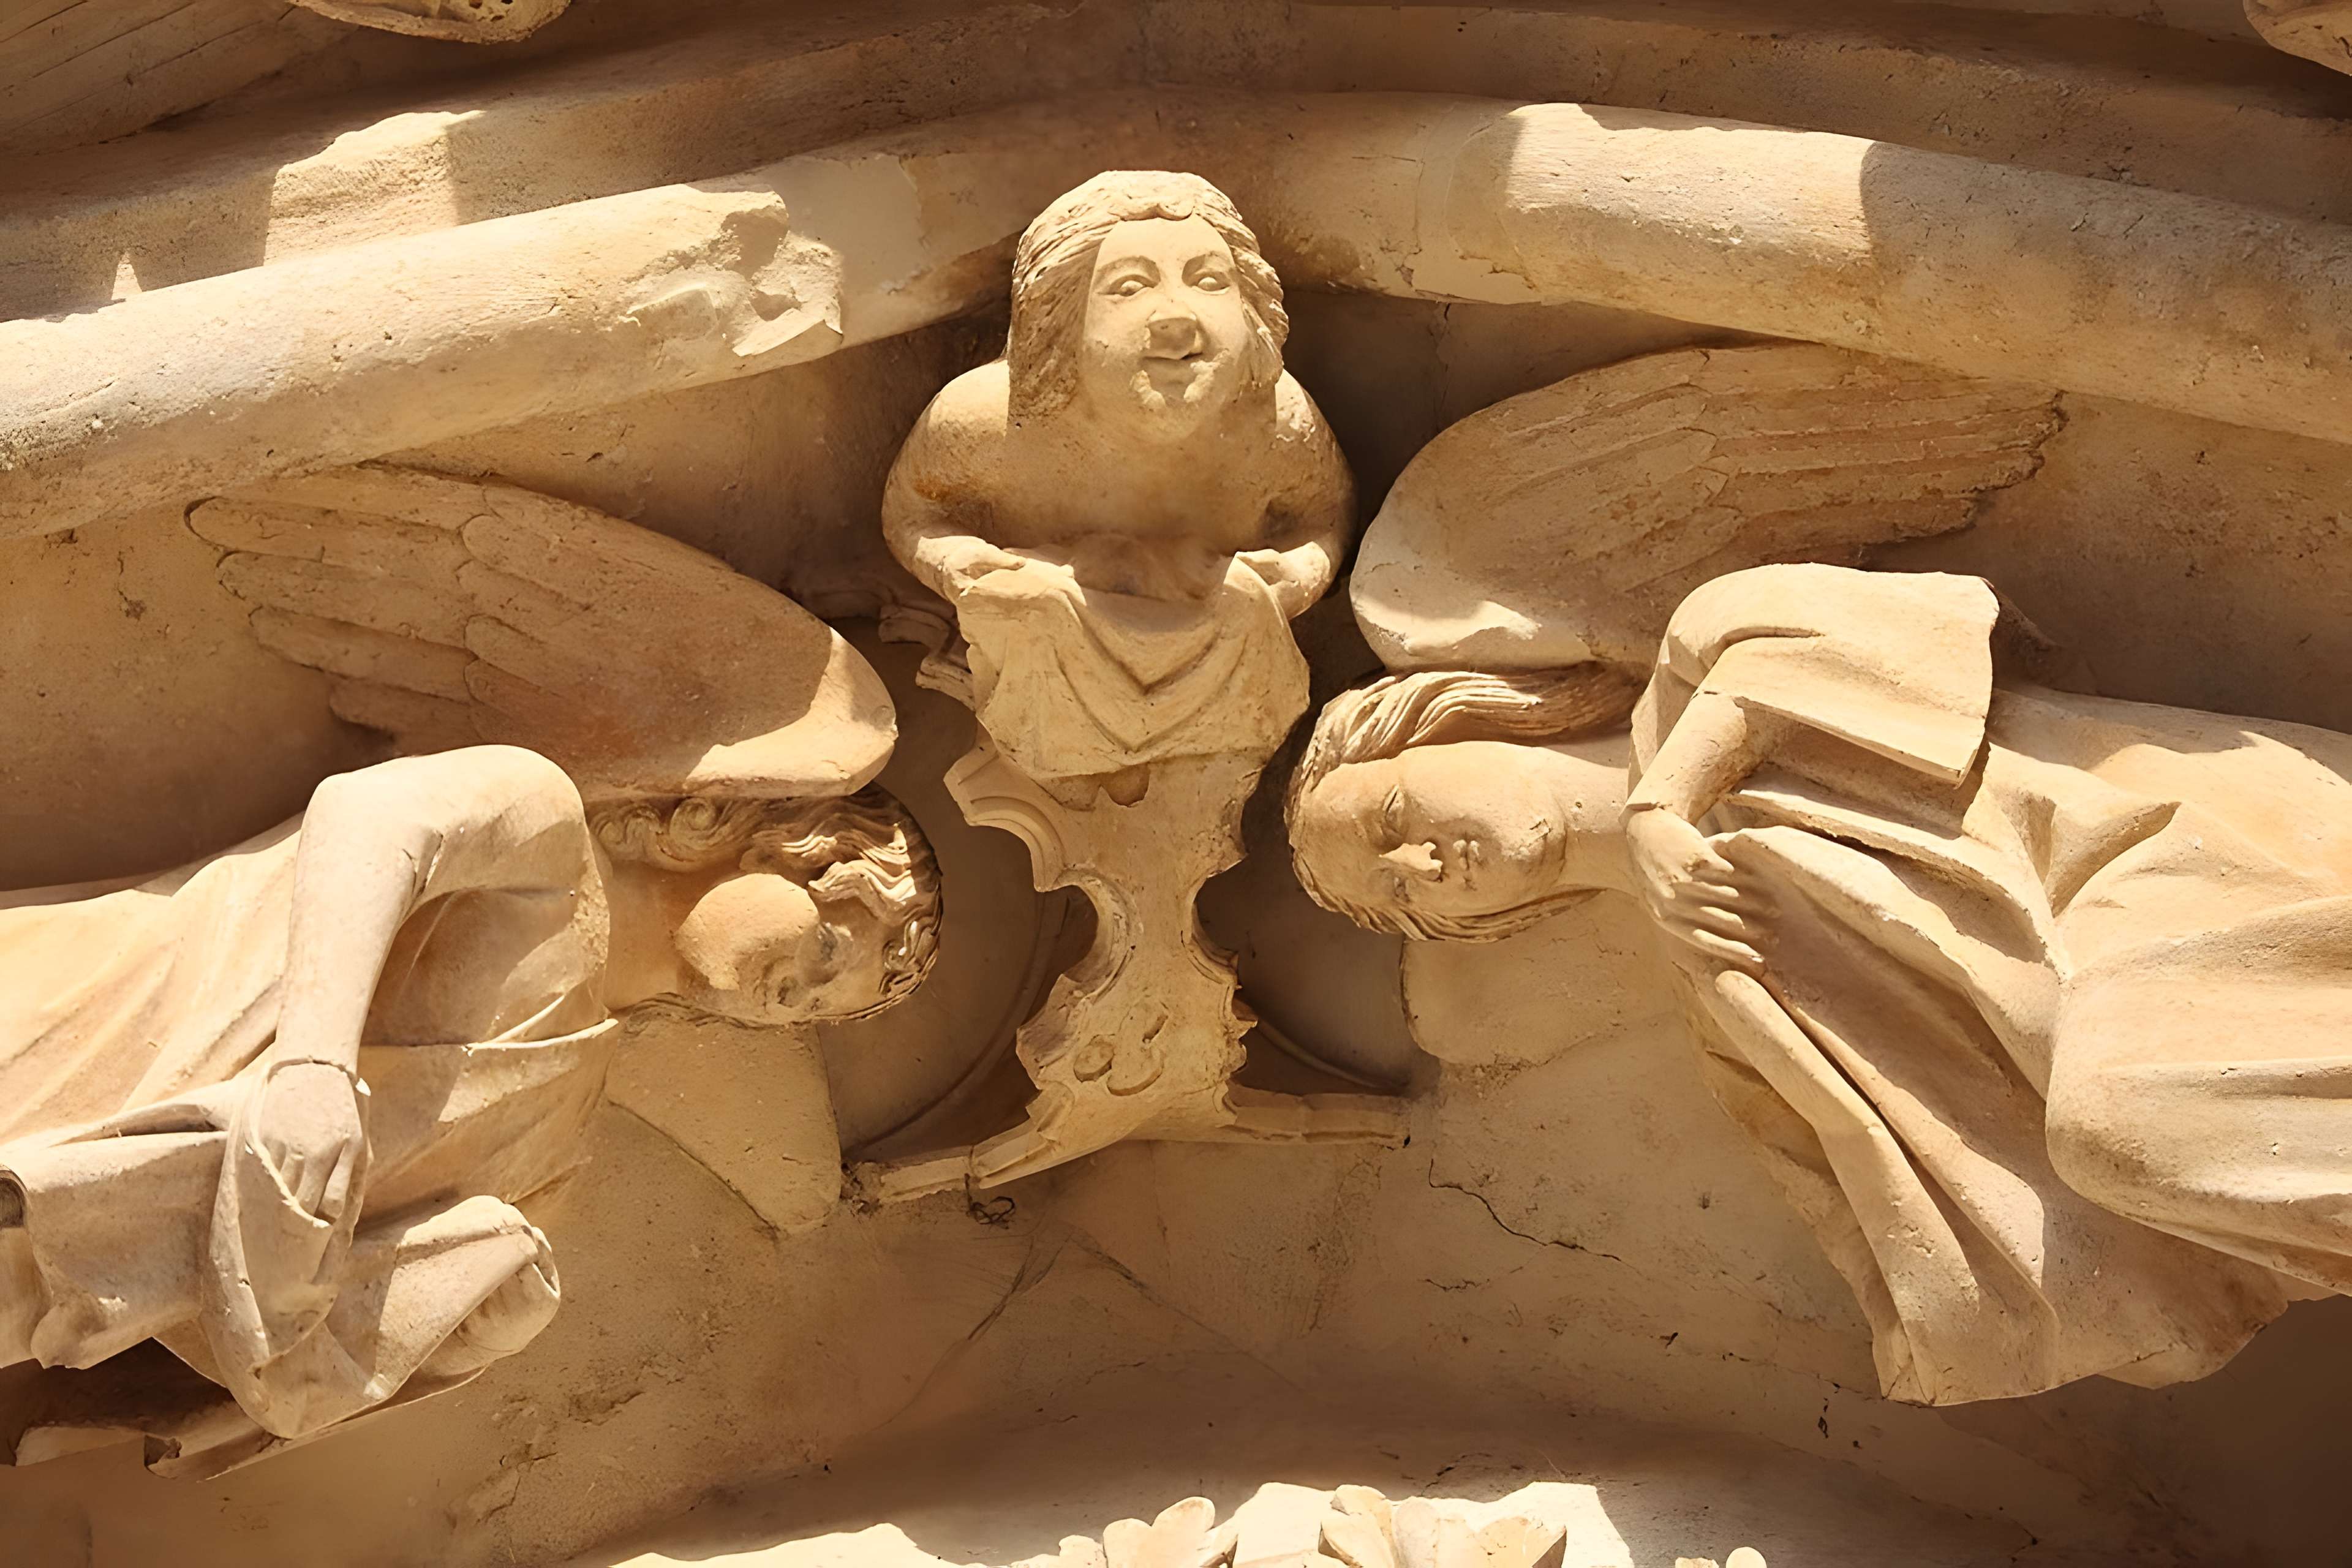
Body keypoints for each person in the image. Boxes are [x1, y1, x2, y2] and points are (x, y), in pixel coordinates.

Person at [1290, 563, 2352, 1403]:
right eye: (1404, 900)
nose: (1424, 863)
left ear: (1453, 723)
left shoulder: (1708, 647)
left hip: (2169, 863)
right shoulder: (1724, 1013)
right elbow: (1987, 1262)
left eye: (1395, 819)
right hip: (2130, 1031)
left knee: (2127, 1122)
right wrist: (1773, 1030)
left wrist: (1669, 800)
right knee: (2125, 1140)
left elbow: (1871, 646)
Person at [0, 745, 937, 1466]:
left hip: (70, 1249)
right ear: (777, 845)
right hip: (94, 1013)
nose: (796, 998)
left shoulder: (558, 1144)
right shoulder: (546, 825)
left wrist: (454, 1332)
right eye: (826, 946)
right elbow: (374, 816)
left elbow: (276, 1315)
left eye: (818, 1008)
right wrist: (314, 1065)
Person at [883, 170, 1352, 788]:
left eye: (1210, 281)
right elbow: (913, 516)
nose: (1177, 319)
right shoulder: (989, 421)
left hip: (1221, 638)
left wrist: (1297, 577)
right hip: (1051, 638)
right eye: (1128, 288)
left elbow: (1325, 517)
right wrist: (960, 565)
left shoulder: (1273, 420)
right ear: (1060, 314)